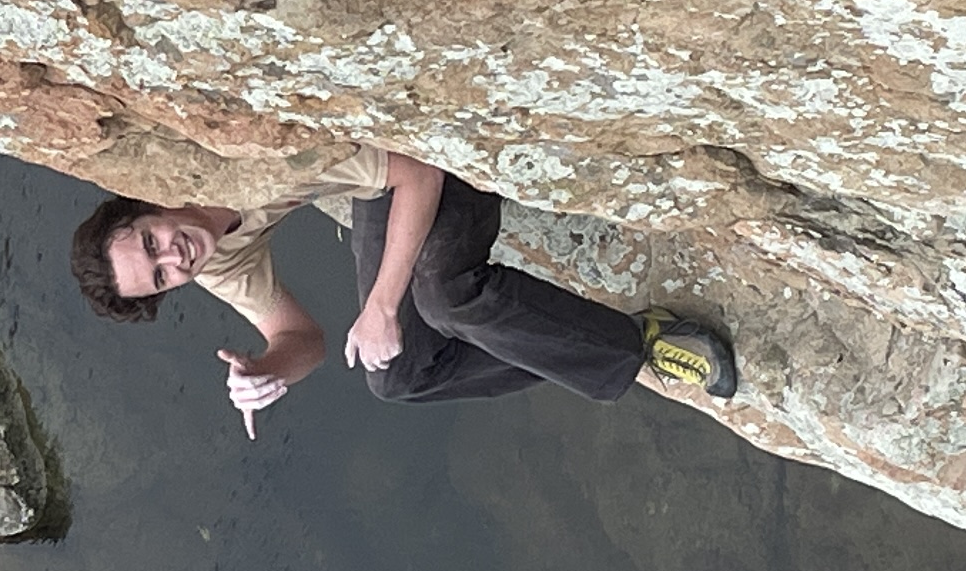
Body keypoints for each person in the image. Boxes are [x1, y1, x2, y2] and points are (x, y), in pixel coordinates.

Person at [69, 148, 738, 433]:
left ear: (147, 202)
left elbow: (419, 172)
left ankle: (636, 343)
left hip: (429, 145)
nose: (174, 257)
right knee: (398, 377)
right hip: (380, 174)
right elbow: (302, 340)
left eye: (153, 240)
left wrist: (384, 305)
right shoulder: (214, 262)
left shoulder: (238, 160)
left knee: (444, 297)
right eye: (161, 277)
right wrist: (268, 371)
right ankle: (586, 346)